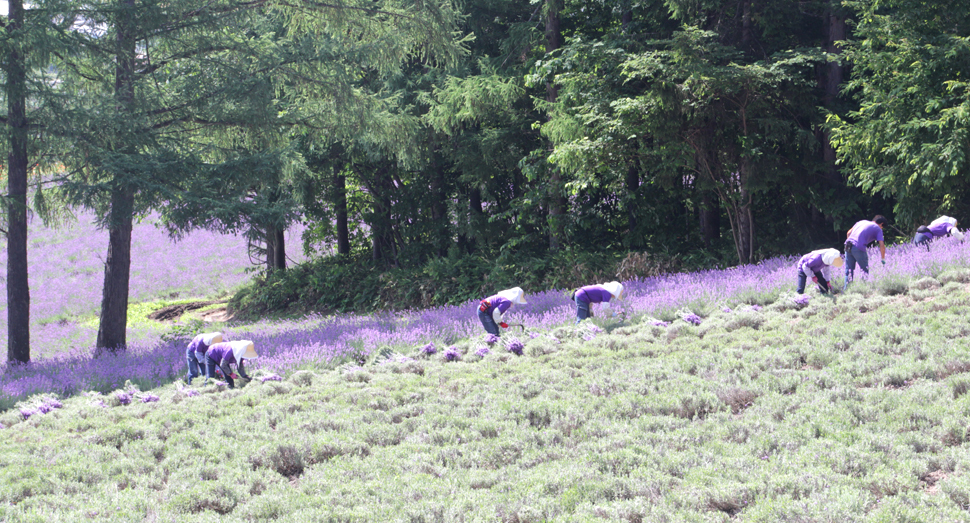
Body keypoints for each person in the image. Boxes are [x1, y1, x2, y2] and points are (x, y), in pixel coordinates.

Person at [844, 215, 888, 290]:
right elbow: (882, 245)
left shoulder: (861, 222)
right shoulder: (878, 229)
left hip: (847, 245)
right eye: (882, 227)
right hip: (858, 246)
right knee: (864, 270)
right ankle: (863, 290)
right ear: (881, 224)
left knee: (849, 270)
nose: (881, 229)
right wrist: (883, 258)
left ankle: (846, 290)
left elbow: (848, 233)